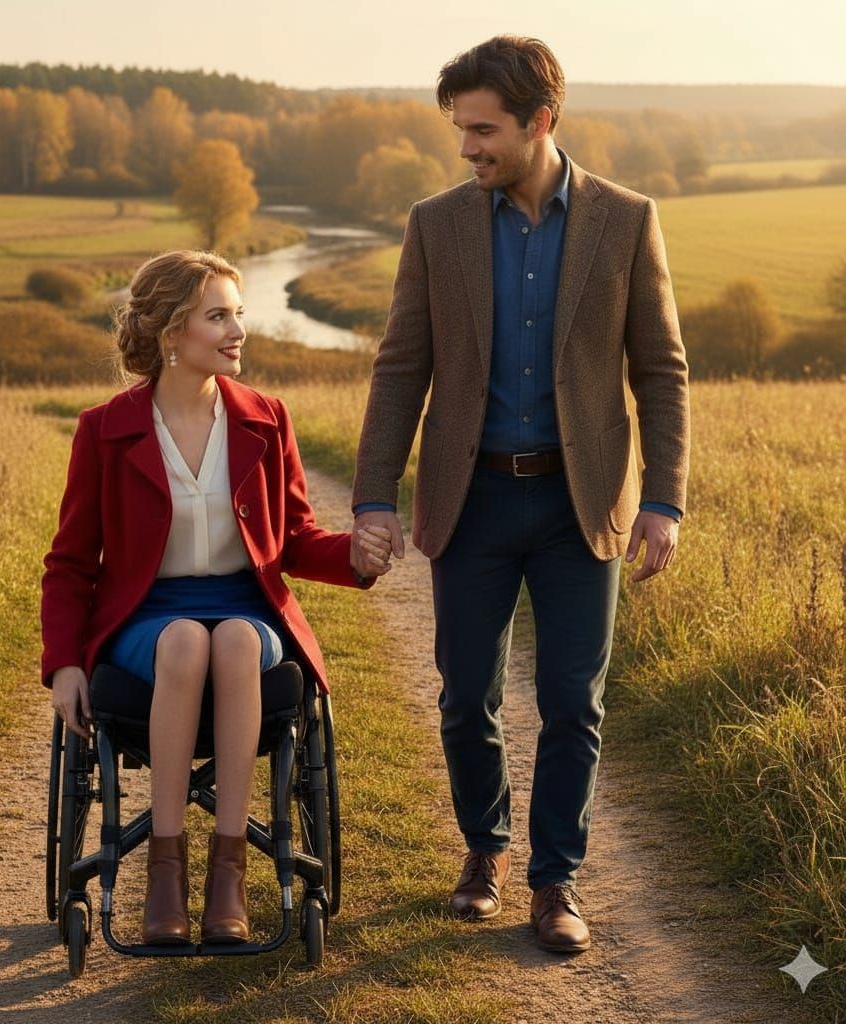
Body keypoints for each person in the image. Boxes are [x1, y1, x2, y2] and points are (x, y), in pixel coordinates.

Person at [351, 35, 690, 953]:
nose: (467, 149)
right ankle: (483, 849)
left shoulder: (627, 219)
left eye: (483, 130)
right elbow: (399, 367)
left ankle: (555, 879)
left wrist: (664, 499)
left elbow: (660, 372)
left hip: (583, 507)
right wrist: (373, 498)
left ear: (541, 121)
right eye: (461, 130)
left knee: (573, 700)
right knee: (467, 695)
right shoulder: (437, 224)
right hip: (472, 502)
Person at [42, 249, 392, 946]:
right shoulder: (105, 431)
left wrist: (352, 553)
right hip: (146, 616)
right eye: (218, 316)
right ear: (172, 332)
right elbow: (71, 563)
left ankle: (227, 873)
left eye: (239, 313)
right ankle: (164, 875)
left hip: (245, 607)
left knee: (230, 637)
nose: (237, 331)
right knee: (183, 639)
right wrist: (66, 664)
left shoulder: (264, 418)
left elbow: (293, 540)